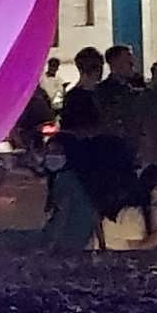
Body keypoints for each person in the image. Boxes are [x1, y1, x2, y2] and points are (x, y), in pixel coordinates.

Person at [46, 93, 140, 253]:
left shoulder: (69, 151)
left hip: (82, 224)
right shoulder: (115, 144)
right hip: (123, 215)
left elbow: (64, 201)